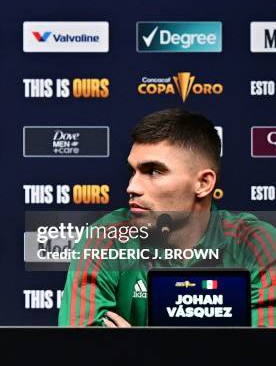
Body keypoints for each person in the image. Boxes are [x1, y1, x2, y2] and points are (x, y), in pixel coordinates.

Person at [58, 108, 276, 327]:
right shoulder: (105, 239)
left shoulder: (256, 244)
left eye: (153, 171)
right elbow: (79, 353)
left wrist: (138, 350)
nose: (131, 187)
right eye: (132, 172)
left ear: (203, 184)